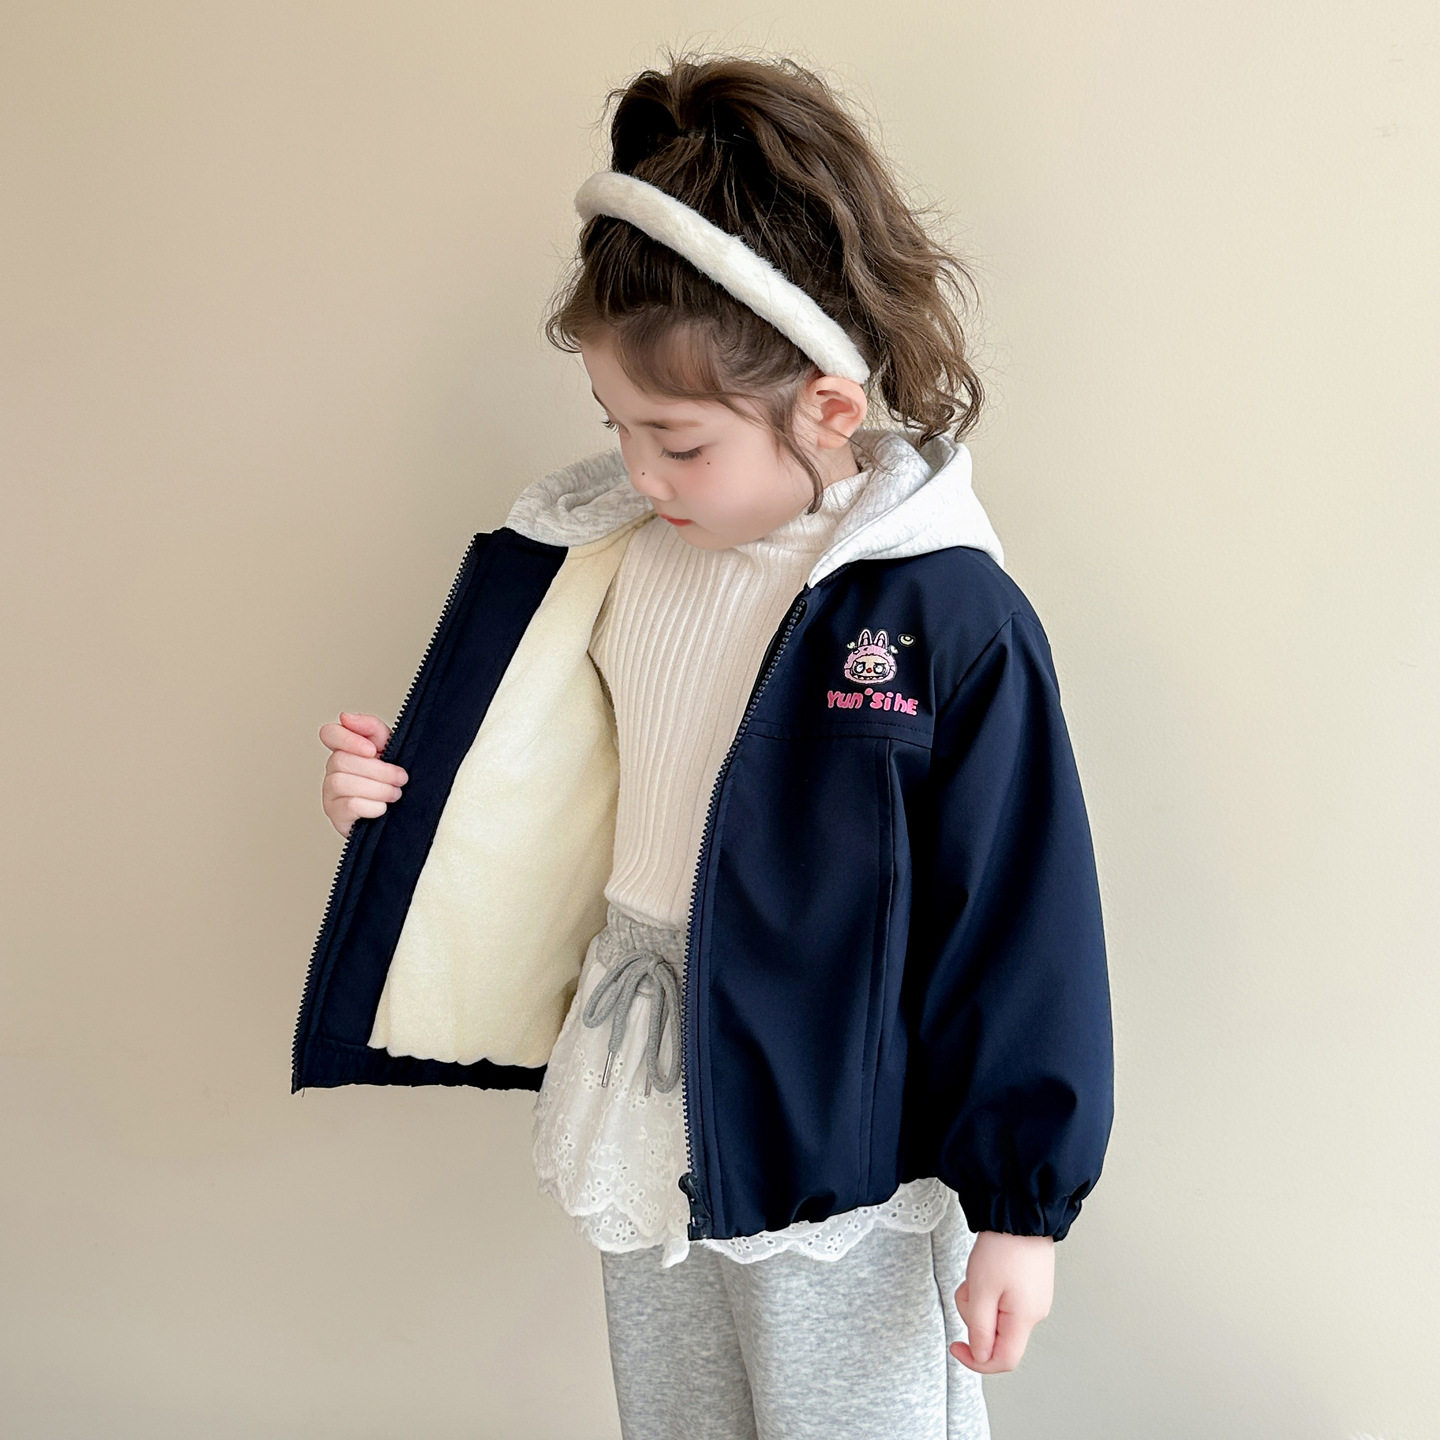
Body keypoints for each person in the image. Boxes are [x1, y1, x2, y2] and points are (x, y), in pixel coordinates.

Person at [299, 50, 1114, 1440]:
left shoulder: (939, 611)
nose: (639, 472)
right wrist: (396, 806)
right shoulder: (607, 557)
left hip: (840, 1126)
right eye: (617, 428)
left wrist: (1019, 1210)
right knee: (679, 1419)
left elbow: (1020, 914)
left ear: (828, 407)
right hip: (646, 1080)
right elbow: (550, 791)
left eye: (677, 443)